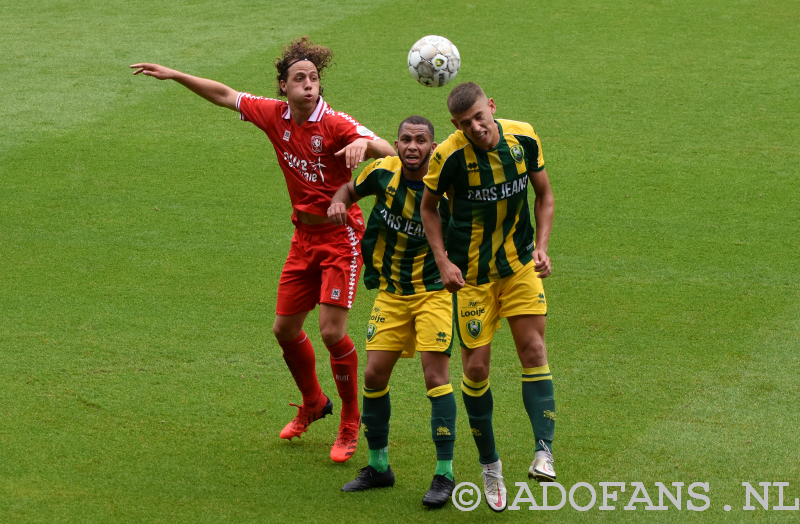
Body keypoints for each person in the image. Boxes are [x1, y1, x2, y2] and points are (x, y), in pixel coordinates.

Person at [131, 36, 396, 463]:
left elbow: (386, 150)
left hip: (340, 236)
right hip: (303, 237)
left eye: (313, 78)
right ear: (283, 86)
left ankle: (350, 419)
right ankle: (314, 403)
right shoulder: (274, 116)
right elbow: (224, 94)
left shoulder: (336, 123)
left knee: (331, 331)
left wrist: (366, 145)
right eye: (299, 78)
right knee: (284, 330)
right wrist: (176, 75)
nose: (309, 84)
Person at [419, 82, 557, 512]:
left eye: (480, 116)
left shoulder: (524, 137)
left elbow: (545, 196)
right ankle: (490, 465)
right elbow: (428, 207)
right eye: (464, 123)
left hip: (518, 267)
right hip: (472, 280)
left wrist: (543, 247)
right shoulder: (448, 156)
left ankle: (543, 451)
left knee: (534, 349)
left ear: (491, 106)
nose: (476, 127)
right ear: (455, 125)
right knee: (476, 369)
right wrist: (442, 261)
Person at [327, 116, 456, 508]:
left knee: (435, 377)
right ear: (396, 144)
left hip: (434, 292)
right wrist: (337, 202)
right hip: (391, 293)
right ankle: (378, 466)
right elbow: (349, 189)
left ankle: (445, 473)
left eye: (420, 140)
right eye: (405, 139)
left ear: (433, 147)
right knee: (373, 374)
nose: (412, 146)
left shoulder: (448, 186)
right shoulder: (382, 171)